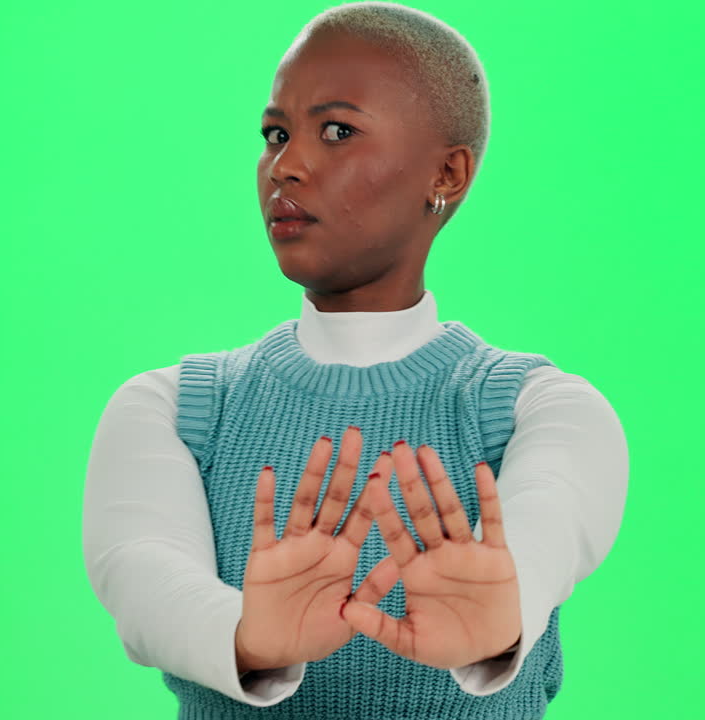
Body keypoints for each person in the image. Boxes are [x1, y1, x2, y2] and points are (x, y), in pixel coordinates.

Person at [82, 3, 628, 718]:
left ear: (449, 173)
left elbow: (553, 523)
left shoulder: (544, 410)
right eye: (276, 134)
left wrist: (500, 618)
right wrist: (247, 637)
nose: (288, 165)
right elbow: (140, 576)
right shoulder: (172, 408)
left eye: (337, 131)